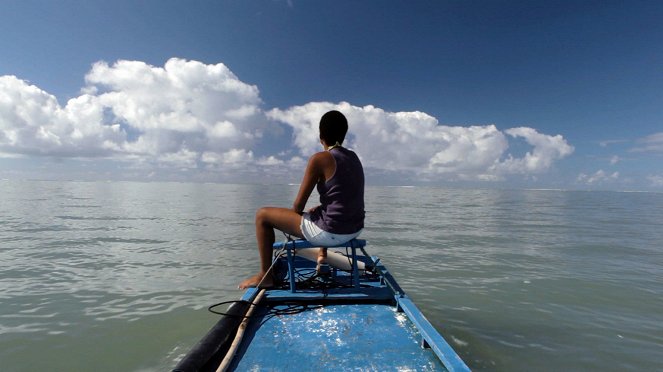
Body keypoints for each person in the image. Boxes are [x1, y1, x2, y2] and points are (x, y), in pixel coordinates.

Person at [238, 110, 365, 289]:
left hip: (331, 232)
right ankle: (323, 258)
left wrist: (296, 216)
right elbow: (342, 199)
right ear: (344, 135)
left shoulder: (319, 159)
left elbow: (298, 206)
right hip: (355, 229)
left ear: (321, 135)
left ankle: (265, 276)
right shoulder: (354, 158)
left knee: (262, 215)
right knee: (319, 212)